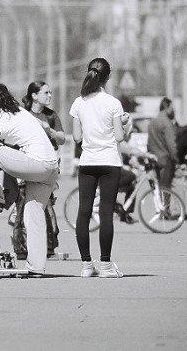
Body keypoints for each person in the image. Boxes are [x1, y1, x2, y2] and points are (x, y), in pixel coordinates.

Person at [0, 84, 59, 276]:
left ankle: (0, 196)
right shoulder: (17, 111)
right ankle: (36, 267)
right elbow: (39, 128)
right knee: (33, 215)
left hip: (37, 165)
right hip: (51, 168)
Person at [69, 58, 131, 278]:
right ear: (108, 76)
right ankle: (105, 266)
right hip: (109, 162)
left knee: (83, 211)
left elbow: (77, 137)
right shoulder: (113, 103)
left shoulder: (79, 102)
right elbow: (119, 137)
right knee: (106, 213)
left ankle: (86, 265)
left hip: (87, 162)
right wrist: (124, 123)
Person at [11, 80, 64, 260]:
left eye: (50, 92)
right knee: (22, 206)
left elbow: (62, 138)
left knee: (45, 205)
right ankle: (21, 248)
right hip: (27, 163)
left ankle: (48, 246)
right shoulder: (23, 114)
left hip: (46, 165)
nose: (49, 96)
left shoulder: (51, 115)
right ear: (34, 95)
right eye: (46, 92)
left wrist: (50, 131)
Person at [147, 97, 178, 193]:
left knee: (157, 188)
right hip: (165, 159)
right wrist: (177, 159)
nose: (174, 111)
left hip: (154, 159)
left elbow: (149, 143)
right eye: (172, 108)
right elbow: (171, 143)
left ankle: (159, 202)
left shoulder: (152, 122)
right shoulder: (166, 122)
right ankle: (165, 203)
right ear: (167, 108)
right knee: (166, 188)